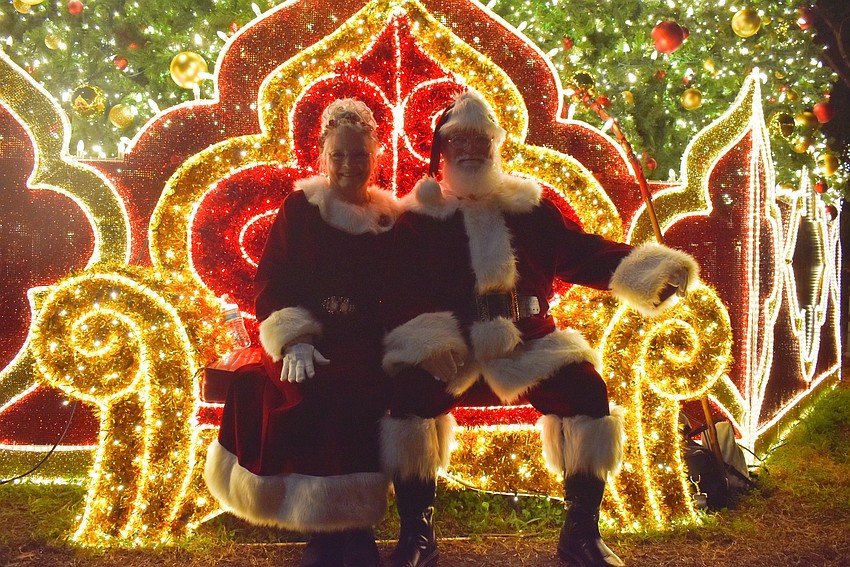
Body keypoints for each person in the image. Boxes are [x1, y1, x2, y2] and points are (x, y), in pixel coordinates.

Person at [380, 90, 699, 567]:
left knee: (586, 390)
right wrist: (424, 340)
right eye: (458, 139)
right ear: (440, 151)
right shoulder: (416, 219)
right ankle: (417, 537)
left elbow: (583, 251)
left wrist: (650, 270)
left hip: (527, 342)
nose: (470, 148)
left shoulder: (530, 208)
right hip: (451, 347)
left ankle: (581, 536)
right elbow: (395, 291)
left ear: (496, 146)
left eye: (481, 139)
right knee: (407, 396)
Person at [205, 98, 403, 567]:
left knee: (360, 386)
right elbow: (273, 280)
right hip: (304, 336)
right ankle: (320, 531)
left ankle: (355, 528)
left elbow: (402, 289)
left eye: (359, 155)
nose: (348, 165)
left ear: (374, 157)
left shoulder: (388, 217)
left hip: (363, 338)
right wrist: (293, 337)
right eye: (338, 155)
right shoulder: (301, 208)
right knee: (305, 386)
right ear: (322, 155)